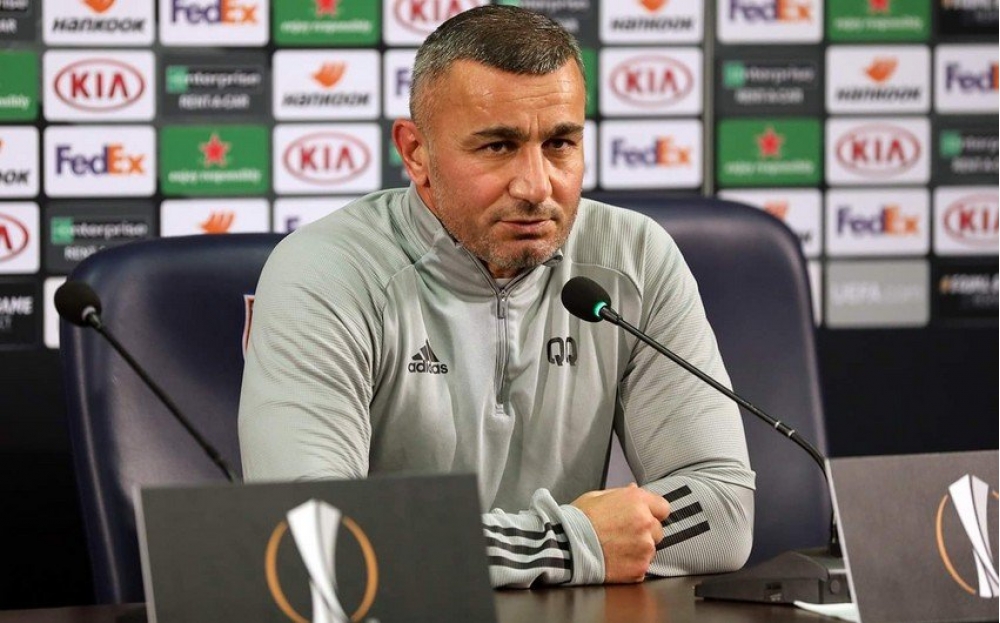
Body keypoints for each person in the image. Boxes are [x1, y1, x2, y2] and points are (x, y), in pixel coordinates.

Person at [239, 5, 754, 588]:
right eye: (498, 147)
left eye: (560, 143)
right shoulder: (326, 271)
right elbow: (312, 533)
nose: (536, 185)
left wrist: (548, 550)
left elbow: (724, 508)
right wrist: (567, 544)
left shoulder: (635, 257)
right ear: (416, 153)